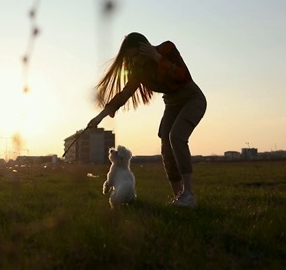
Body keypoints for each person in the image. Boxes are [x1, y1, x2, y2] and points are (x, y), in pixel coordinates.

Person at [87, 32, 207, 208]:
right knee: (165, 140)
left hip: (192, 99)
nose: (135, 60)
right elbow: (125, 94)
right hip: (172, 104)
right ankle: (179, 196)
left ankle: (189, 194)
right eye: (130, 58)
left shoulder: (167, 49)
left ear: (145, 47)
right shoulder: (139, 71)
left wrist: (157, 58)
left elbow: (182, 76)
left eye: (136, 54)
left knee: (176, 137)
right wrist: (99, 117)